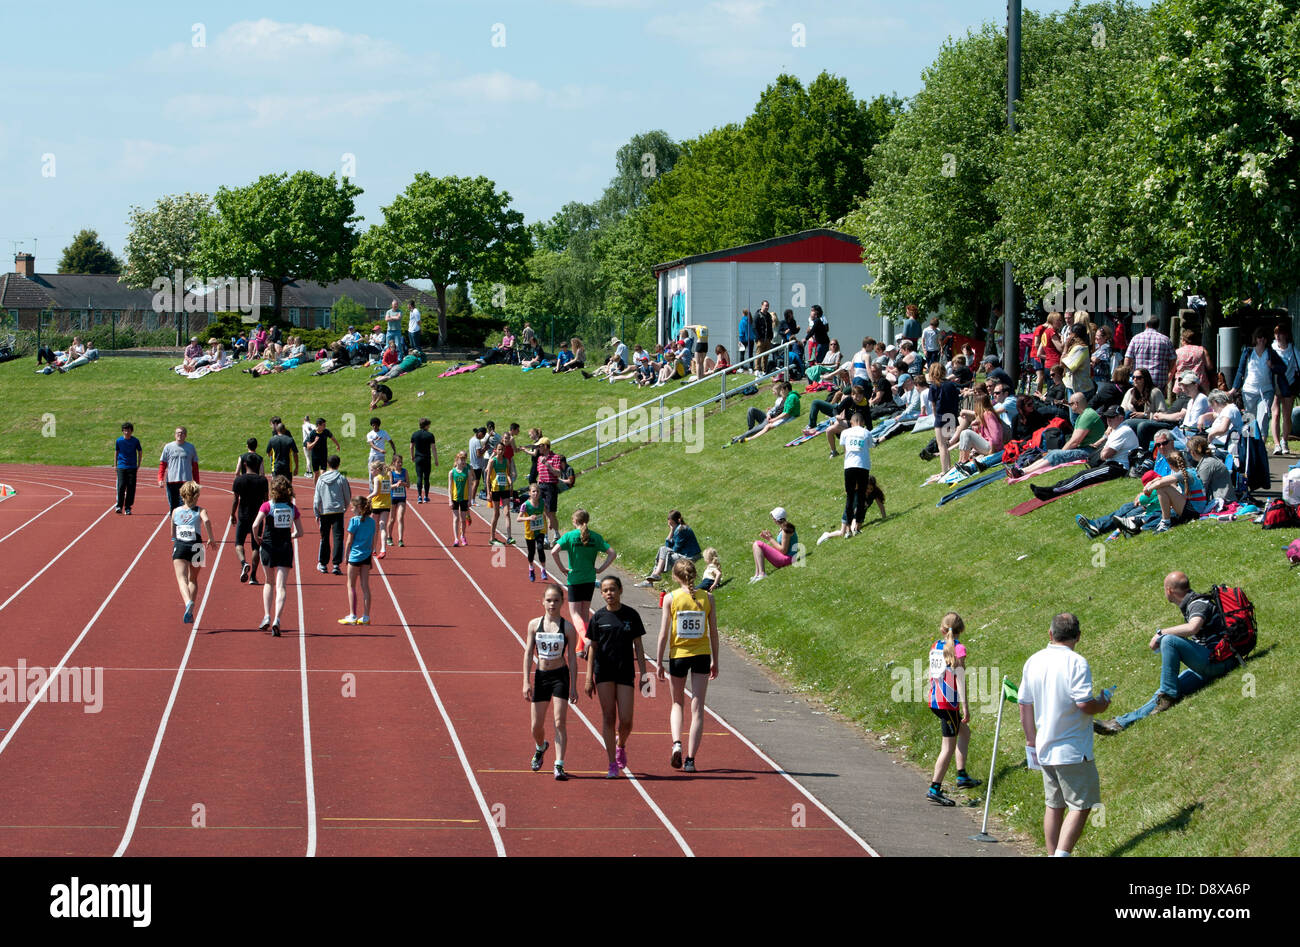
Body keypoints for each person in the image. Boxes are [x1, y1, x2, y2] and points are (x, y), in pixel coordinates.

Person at [1094, 572, 1235, 735]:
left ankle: (1168, 694)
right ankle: (1120, 723)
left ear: (1169, 590)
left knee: (1169, 641)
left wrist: (1161, 633)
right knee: (1165, 691)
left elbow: (1192, 628)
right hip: (1210, 662)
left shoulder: (1198, 604)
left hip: (1219, 661)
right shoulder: (1192, 603)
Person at [1017, 613, 1112, 856]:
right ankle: (1061, 854)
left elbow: (1024, 704)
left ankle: (1052, 854)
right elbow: (1084, 704)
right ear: (1078, 636)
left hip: (1044, 746)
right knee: (1082, 805)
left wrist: (1031, 740)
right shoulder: (1076, 662)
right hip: (1072, 749)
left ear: (1050, 634)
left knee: (1054, 805)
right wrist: (1102, 704)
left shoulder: (1034, 661)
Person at [655, 558, 719, 773]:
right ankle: (690, 760)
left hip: (678, 655)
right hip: (702, 654)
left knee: (677, 703)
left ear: (675, 576)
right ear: (695, 575)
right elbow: (714, 633)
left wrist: (658, 661)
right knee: (698, 706)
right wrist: (715, 660)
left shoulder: (671, 598)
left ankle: (676, 743)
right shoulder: (708, 597)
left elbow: (664, 633)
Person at [583, 576, 649, 779]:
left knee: (627, 720)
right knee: (609, 716)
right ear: (601, 594)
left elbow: (638, 645)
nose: (609, 593)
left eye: (613, 589)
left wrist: (644, 674)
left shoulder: (631, 615)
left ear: (620, 590)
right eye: (605, 590)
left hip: (625, 671)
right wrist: (588, 678)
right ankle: (612, 762)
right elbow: (592, 648)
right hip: (603, 672)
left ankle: (621, 744)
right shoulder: (598, 618)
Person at [523, 586, 580, 780]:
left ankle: (559, 765)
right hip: (541, 677)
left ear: (562, 603)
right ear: (542, 601)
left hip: (560, 676)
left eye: (556, 600)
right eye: (549, 600)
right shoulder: (533, 625)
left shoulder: (568, 628)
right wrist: (526, 681)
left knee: (559, 721)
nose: (552, 604)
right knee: (535, 726)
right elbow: (529, 653)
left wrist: (573, 686)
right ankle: (541, 747)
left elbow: (572, 657)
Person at [925, 612, 980, 806]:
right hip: (948, 704)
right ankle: (935, 788)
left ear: (942, 629)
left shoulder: (935, 646)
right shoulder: (959, 649)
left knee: (964, 733)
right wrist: (965, 706)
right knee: (947, 747)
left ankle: (962, 775)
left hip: (935, 700)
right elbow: (960, 679)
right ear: (961, 630)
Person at [1028, 406, 1139, 501]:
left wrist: (1103, 449)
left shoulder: (1123, 431)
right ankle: (1052, 489)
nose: (1108, 420)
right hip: (1112, 463)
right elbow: (1102, 448)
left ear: (1121, 418)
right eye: (1107, 417)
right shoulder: (1116, 429)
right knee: (1083, 474)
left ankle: (1051, 491)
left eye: (1112, 417)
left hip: (1118, 467)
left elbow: (1105, 455)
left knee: (1084, 476)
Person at [552, 509, 616, 660]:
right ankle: (580, 649)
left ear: (574, 521)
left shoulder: (569, 536)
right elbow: (612, 553)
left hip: (574, 579)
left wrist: (562, 568)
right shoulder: (595, 537)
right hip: (589, 579)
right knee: (585, 613)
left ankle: (588, 640)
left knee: (575, 614)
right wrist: (600, 569)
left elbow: (554, 551)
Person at [251, 475, 303, 637]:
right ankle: (277, 620)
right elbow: (300, 532)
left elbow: (254, 525)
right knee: (281, 586)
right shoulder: (292, 508)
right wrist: (291, 536)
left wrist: (257, 538)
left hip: (267, 546)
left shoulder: (267, 506)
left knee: (268, 582)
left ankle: (267, 615)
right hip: (284, 547)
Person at [1229, 326, 1283, 451]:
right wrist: (1234, 389)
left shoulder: (1270, 352)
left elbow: (1282, 368)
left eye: (1264, 338)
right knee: (1249, 417)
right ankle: (1249, 446)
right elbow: (1240, 371)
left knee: (1263, 416)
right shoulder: (1248, 352)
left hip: (1266, 391)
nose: (1261, 340)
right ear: (1255, 339)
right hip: (1249, 390)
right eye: (1259, 338)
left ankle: (1260, 446)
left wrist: (1272, 366)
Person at [170, 481, 214, 624]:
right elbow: (206, 521)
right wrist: (211, 539)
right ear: (197, 495)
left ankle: (188, 602)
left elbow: (173, 532)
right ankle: (190, 612)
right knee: (193, 579)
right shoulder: (201, 510)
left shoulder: (175, 511)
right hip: (197, 546)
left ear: (182, 495)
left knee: (181, 578)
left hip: (181, 546)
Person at [638, 510, 702, 586]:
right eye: (669, 524)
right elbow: (668, 545)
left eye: (671, 524)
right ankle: (654, 576)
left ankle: (654, 576)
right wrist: (671, 530)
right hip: (684, 553)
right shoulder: (677, 529)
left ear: (676, 521)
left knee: (664, 552)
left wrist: (671, 532)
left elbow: (675, 549)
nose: (670, 526)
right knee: (663, 550)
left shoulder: (681, 530)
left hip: (690, 556)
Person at [339, 496, 376, 626]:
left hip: (354, 557)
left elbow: (349, 541)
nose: (351, 510)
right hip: (366, 556)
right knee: (365, 586)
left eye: (353, 507)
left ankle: (353, 615)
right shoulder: (372, 522)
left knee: (351, 585)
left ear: (359, 508)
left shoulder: (354, 521)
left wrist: (346, 556)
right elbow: (373, 540)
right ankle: (366, 616)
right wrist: (371, 555)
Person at [313, 454, 351, 575]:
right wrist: (344, 507)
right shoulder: (342, 479)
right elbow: (347, 496)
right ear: (338, 464)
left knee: (324, 538)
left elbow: (316, 499)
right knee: (338, 538)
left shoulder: (321, 479)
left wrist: (316, 513)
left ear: (327, 464)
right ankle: (336, 564)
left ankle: (323, 564)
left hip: (324, 512)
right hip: (338, 512)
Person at [728, 380, 800, 445]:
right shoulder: (784, 398)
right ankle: (749, 430)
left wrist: (773, 419)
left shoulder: (789, 398)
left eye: (781, 391)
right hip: (770, 417)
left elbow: (786, 413)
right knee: (751, 409)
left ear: (786, 389)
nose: (781, 393)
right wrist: (769, 413)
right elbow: (776, 409)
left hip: (772, 419)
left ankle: (738, 438)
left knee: (758, 429)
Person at [231, 463, 269, 584]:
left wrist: (232, 514)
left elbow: (236, 499)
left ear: (245, 464)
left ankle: (243, 563)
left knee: (238, 543)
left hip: (243, 515)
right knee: (256, 546)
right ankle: (253, 576)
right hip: (257, 516)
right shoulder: (263, 480)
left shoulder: (239, 480)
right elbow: (266, 499)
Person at [1123, 314, 1176, 393]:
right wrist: (1166, 371)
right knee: (1157, 403)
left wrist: (1127, 375)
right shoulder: (1166, 340)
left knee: (1138, 402)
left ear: (1146, 324)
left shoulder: (1136, 338)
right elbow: (1173, 359)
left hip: (1139, 378)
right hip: (1158, 379)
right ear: (1158, 326)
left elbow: (1128, 359)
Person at [750, 507, 799, 583]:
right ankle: (757, 574)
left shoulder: (786, 530)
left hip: (788, 559)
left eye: (773, 518)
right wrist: (770, 539)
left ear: (776, 519)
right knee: (755, 545)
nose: (772, 519)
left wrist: (770, 539)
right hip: (788, 558)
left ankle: (762, 574)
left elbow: (783, 550)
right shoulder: (783, 528)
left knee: (758, 544)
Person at [1272, 322, 1299, 455]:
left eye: (1280, 333)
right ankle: (1277, 444)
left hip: (1290, 384)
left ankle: (1284, 441)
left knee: (1286, 415)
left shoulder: (1293, 349)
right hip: (1275, 384)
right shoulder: (1271, 349)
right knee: (1275, 414)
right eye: (1276, 333)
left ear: (1286, 335)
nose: (1278, 336)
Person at [158, 426, 199, 512]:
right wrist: (160, 478)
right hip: (171, 481)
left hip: (186, 482)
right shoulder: (168, 447)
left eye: (182, 433)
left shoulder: (190, 447)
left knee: (186, 505)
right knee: (173, 506)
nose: (180, 434)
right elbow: (163, 464)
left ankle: (183, 524)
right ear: (175, 435)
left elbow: (195, 466)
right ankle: (174, 524)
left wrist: (196, 482)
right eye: (178, 433)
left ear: (186, 435)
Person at [485, 442, 516, 545]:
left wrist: (510, 481)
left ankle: (509, 537)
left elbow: (507, 473)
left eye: (502, 450)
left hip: (505, 488)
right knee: (496, 514)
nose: (501, 451)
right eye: (499, 449)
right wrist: (488, 492)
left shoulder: (506, 461)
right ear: (496, 450)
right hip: (495, 489)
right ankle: (492, 537)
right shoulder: (492, 461)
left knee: (507, 512)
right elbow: (487, 477)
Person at [517, 483, 549, 582]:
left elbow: (545, 513)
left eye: (537, 491)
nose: (536, 493)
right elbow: (518, 519)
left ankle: (543, 570)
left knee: (540, 548)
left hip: (540, 529)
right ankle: (531, 568)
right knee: (531, 552)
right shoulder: (525, 505)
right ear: (529, 493)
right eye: (533, 491)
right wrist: (529, 518)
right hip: (530, 532)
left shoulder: (542, 502)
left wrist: (549, 521)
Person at [114, 422, 142, 515]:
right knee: (121, 486)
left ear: (131, 431)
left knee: (131, 487)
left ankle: (128, 507)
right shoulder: (119, 441)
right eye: (125, 430)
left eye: (128, 430)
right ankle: (119, 506)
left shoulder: (135, 441)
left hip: (132, 467)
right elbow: (116, 452)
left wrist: (138, 464)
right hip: (121, 466)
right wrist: (115, 464)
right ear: (123, 431)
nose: (126, 432)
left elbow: (140, 451)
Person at [1174, 328, 1212, 393]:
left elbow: (1173, 369)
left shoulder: (1177, 352)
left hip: (1182, 385)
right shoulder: (1202, 350)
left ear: (1183, 340)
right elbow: (1210, 367)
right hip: (1199, 384)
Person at [367, 461, 392, 560]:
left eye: (372, 470)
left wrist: (367, 497)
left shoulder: (377, 478)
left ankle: (373, 549)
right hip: (386, 505)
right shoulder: (386, 477)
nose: (371, 472)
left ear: (377, 469)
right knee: (382, 526)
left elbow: (376, 492)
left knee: (374, 528)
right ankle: (383, 549)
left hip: (377, 505)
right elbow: (389, 489)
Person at [304, 418, 340, 485]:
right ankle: (316, 489)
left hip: (323, 454)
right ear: (319, 425)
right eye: (323, 425)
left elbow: (332, 437)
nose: (325, 426)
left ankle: (323, 487)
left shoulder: (326, 431)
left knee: (323, 472)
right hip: (315, 456)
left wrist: (337, 445)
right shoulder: (312, 434)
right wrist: (315, 441)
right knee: (316, 473)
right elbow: (308, 447)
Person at [410, 418, 438, 503]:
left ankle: (419, 496)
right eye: (429, 425)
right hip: (427, 458)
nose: (429, 426)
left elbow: (411, 446)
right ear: (426, 425)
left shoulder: (414, 434)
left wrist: (412, 456)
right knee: (426, 478)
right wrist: (436, 459)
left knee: (419, 476)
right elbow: (433, 448)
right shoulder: (430, 435)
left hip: (418, 458)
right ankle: (426, 496)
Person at [448, 451, 471, 546]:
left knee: (463, 519)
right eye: (461, 459)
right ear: (456, 460)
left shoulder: (467, 472)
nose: (463, 461)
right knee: (456, 518)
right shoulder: (452, 472)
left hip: (464, 498)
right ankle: (456, 539)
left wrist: (470, 499)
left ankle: (463, 536)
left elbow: (470, 486)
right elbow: (449, 487)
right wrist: (450, 500)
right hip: (455, 498)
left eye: (464, 459)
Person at [387, 454, 409, 548]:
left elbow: (408, 485)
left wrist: (403, 483)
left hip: (402, 498)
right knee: (392, 519)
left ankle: (400, 539)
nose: (400, 464)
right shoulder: (391, 472)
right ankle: (389, 537)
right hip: (392, 498)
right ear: (394, 463)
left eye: (401, 462)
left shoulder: (405, 471)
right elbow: (389, 486)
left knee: (400, 518)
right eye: (398, 462)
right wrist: (396, 485)